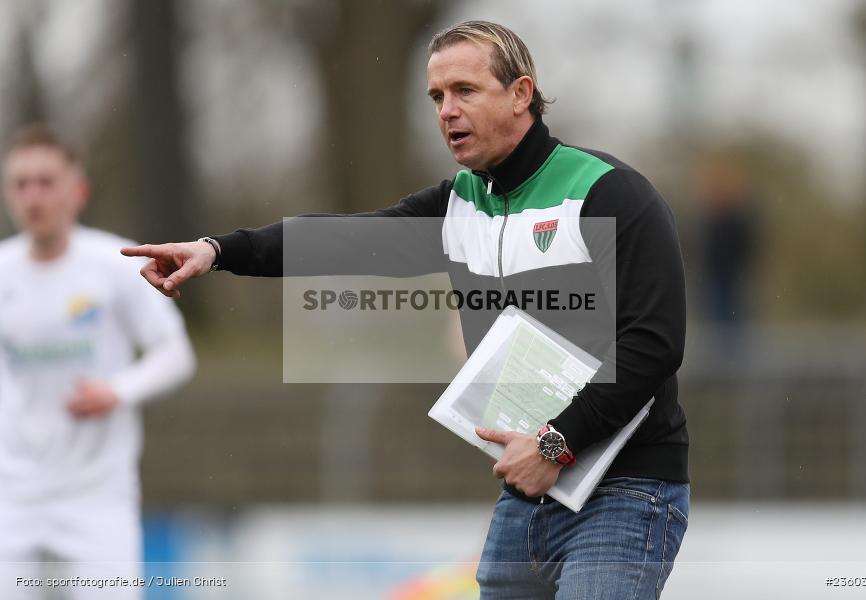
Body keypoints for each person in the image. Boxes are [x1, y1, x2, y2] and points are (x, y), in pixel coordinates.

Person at [123, 21, 689, 599]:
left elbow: (654, 343)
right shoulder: (458, 204)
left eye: (465, 90)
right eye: (437, 96)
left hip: (626, 488)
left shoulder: (609, 192)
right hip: (530, 491)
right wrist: (218, 251)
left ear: (521, 94)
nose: (447, 111)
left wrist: (556, 442)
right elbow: (341, 242)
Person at [0, 125, 195, 599]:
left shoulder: (115, 262)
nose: (33, 196)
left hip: (97, 494)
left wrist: (117, 391)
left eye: (46, 182)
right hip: (12, 491)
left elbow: (176, 354)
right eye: (21, 184)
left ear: (78, 192)